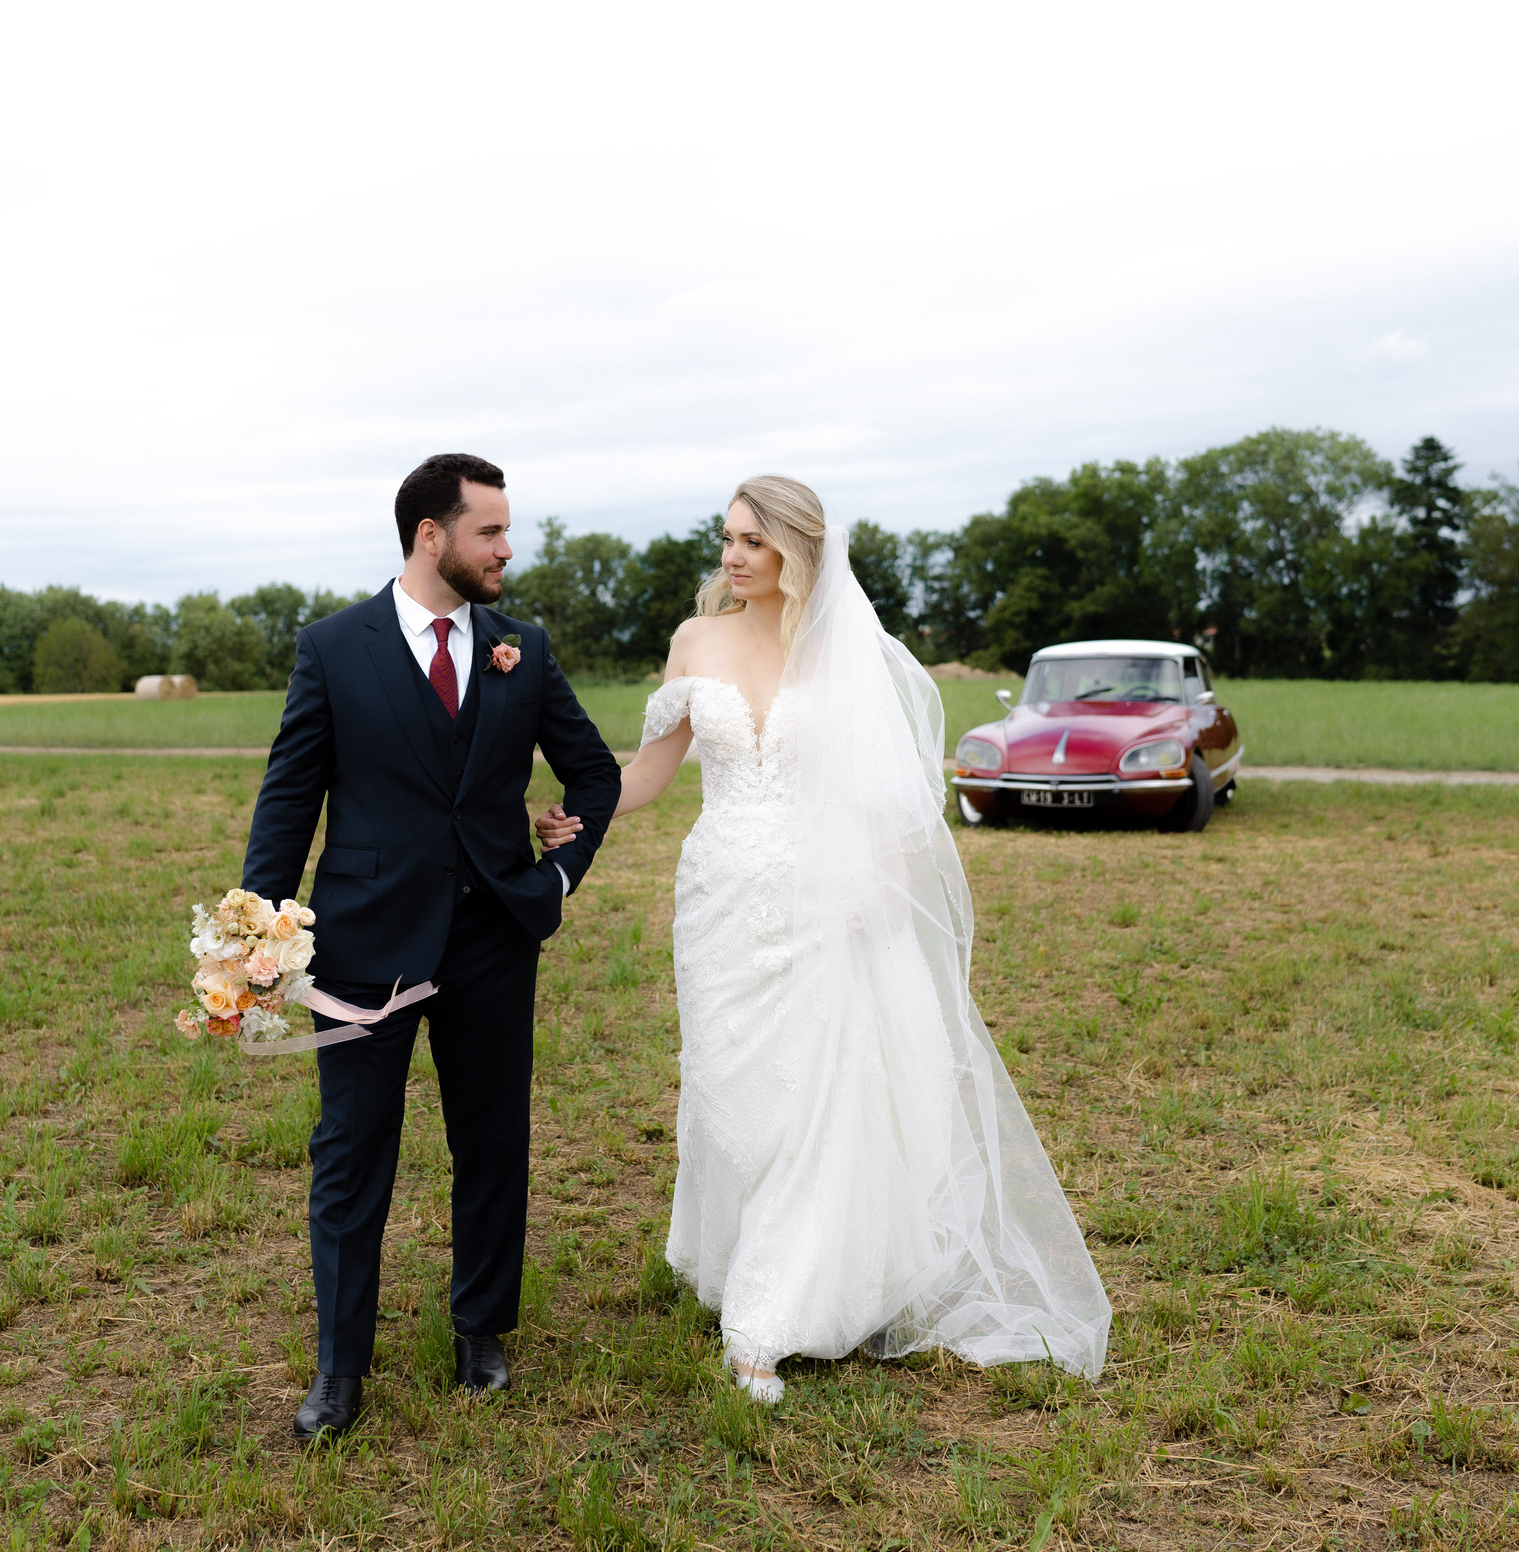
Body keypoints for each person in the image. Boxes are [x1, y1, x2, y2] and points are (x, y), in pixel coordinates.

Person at [534, 475, 1109, 1402]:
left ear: (796, 550)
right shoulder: (695, 640)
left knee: (820, 1090)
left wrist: (880, 883)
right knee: (731, 1083)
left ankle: (771, 1315)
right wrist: (579, 814)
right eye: (726, 538)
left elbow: (885, 788)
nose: (732, 557)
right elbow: (647, 770)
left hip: (826, 898)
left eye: (752, 542)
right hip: (720, 892)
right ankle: (743, 1251)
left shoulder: (840, 648)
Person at [242, 453, 622, 1441]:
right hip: (363, 946)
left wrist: (556, 876)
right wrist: (263, 930)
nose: (507, 548)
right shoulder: (333, 647)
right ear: (430, 536)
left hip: (494, 939)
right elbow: (290, 796)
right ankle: (339, 1369)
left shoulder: (520, 649)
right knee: (349, 1156)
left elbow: (592, 775)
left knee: (491, 1144)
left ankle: (480, 1333)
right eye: (490, 531)